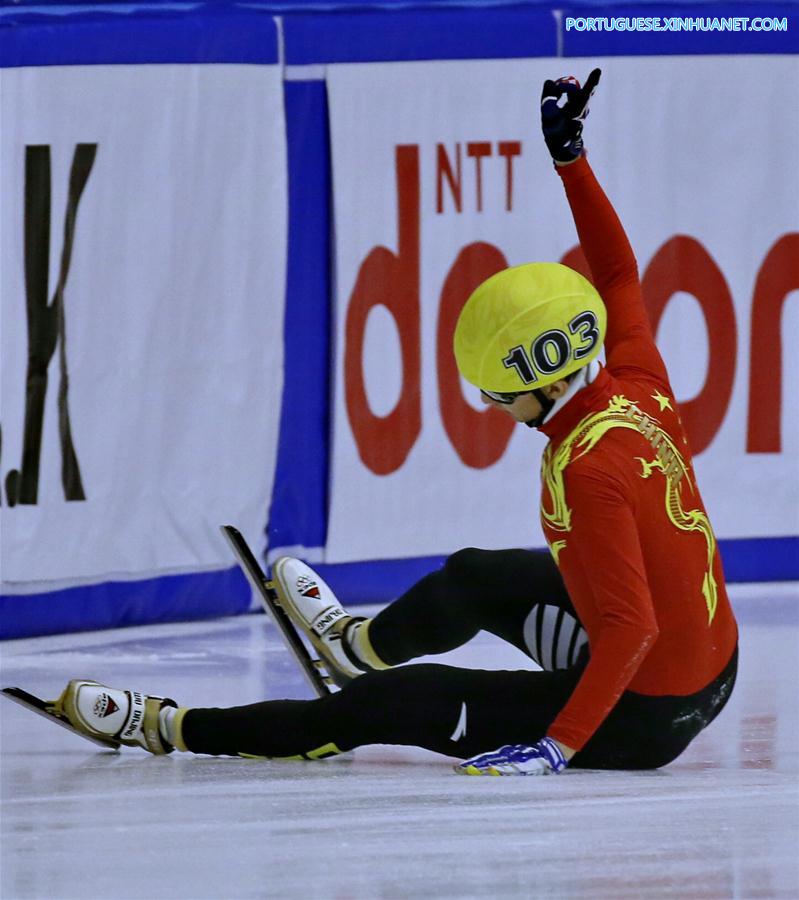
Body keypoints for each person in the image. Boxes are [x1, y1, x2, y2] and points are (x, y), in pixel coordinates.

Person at [49, 69, 738, 776]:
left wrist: (553, 748)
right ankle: (354, 647)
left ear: (545, 381)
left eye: (499, 394)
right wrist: (571, 159)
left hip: (643, 712)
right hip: (709, 667)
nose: (492, 408)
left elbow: (631, 630)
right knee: (474, 578)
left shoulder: (587, 469)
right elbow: (618, 275)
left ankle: (169, 727)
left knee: (387, 705)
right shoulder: (635, 379)